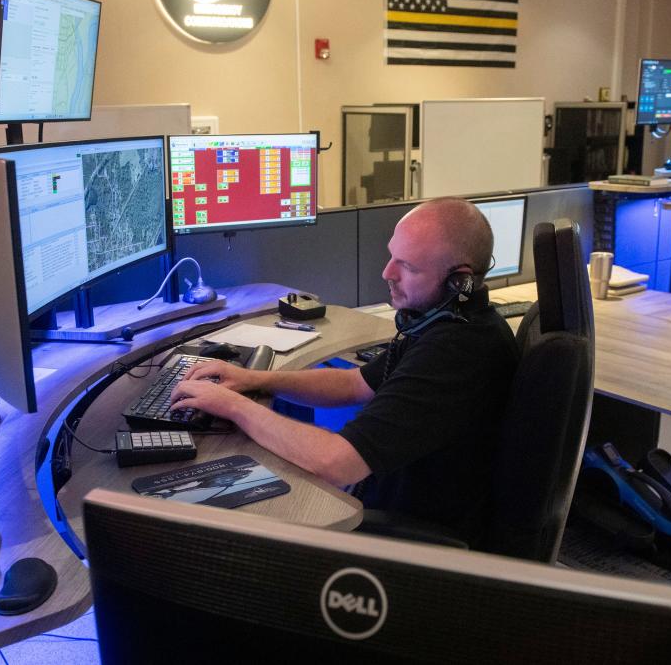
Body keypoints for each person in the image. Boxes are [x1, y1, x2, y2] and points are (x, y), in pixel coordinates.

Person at [171, 197, 520, 545]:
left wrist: (231, 405)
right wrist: (256, 379)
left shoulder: (458, 349)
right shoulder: (445, 324)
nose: (387, 273)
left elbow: (338, 462)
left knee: (219, 529)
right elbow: (354, 383)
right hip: (390, 504)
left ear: (459, 282)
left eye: (408, 267)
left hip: (412, 543)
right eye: (391, 256)